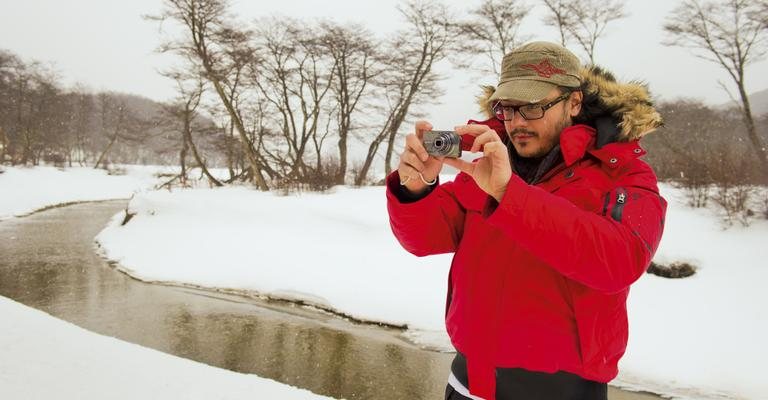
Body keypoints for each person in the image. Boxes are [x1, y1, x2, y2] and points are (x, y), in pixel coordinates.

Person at [385, 41, 667, 400]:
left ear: (574, 102)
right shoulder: (488, 163)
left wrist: (509, 194)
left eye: (533, 107)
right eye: (508, 109)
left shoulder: (624, 172)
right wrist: (416, 188)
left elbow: (619, 260)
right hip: (467, 384)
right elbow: (424, 238)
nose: (517, 122)